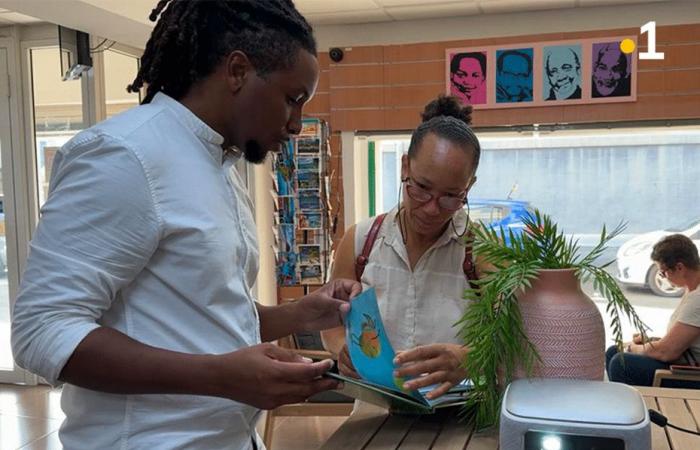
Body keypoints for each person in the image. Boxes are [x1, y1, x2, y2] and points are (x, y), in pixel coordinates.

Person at [11, 1, 361, 448]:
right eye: (292, 100)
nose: (296, 124)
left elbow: (203, 312)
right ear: (237, 71)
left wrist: (297, 315)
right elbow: (42, 329)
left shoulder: (220, 164)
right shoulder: (126, 155)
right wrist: (220, 378)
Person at [322, 95, 481, 400]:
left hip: (455, 419)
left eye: (450, 196)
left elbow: (515, 344)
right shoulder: (360, 242)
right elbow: (331, 323)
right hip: (375, 413)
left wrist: (470, 359)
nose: (432, 209)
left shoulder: (481, 253)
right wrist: (342, 348)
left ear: (469, 186)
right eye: (421, 188)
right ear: (405, 166)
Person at [606, 234, 700, 387]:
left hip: (692, 374)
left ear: (679, 267)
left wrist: (633, 348)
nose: (663, 277)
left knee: (621, 363)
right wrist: (652, 342)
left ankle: (639, 409)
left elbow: (668, 352)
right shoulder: (691, 290)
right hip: (685, 362)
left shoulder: (698, 298)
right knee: (614, 352)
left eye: (663, 272)